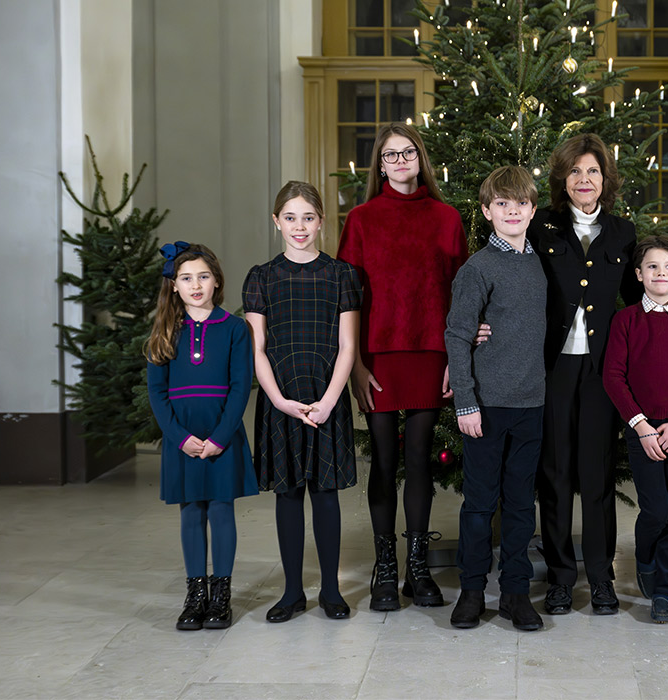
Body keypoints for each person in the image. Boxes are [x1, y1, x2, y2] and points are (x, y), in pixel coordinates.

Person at [337, 122, 467, 612]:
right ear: (380, 164)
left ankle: (417, 567)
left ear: (420, 158)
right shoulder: (363, 220)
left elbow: (461, 296)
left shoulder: (446, 218)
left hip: (430, 354)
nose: (400, 161)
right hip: (378, 357)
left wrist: (457, 359)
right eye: (390, 155)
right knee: (385, 463)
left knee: (418, 461)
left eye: (407, 152)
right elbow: (347, 299)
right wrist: (354, 367)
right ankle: (384, 568)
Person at [531, 133, 643, 616]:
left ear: (605, 179)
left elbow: (639, 306)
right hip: (552, 365)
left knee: (596, 475)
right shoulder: (540, 227)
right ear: (563, 178)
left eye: (593, 171)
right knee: (554, 474)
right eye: (575, 171)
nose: (584, 179)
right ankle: (559, 579)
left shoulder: (623, 232)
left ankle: (600, 578)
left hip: (601, 370)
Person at [243, 181, 362, 623]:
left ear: (321, 222)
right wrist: (277, 400)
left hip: (326, 397)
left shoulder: (341, 275)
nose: (299, 226)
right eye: (290, 218)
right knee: (288, 492)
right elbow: (257, 348)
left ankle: (330, 590)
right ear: (276, 222)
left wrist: (331, 400)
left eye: (308, 218)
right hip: (282, 399)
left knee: (325, 493)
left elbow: (348, 346)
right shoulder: (261, 276)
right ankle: (292, 591)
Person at [444, 166, 547, 631]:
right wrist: (465, 401)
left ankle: (515, 592)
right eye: (502, 204)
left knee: (522, 504)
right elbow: (459, 333)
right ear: (486, 211)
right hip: (485, 406)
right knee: (480, 503)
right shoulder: (478, 268)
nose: (512, 211)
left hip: (532, 404)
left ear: (532, 208)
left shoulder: (540, 262)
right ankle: (470, 590)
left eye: (520, 203)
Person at [145, 242, 258, 631]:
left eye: (204, 277)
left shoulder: (234, 329)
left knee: (222, 510)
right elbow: (157, 393)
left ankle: (221, 594)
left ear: (216, 281)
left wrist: (221, 437)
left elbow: (241, 386)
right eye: (187, 278)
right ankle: (195, 595)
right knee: (191, 511)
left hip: (221, 435)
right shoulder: (164, 331)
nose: (196, 285)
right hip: (184, 438)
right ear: (173, 285)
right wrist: (179, 437)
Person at [601, 235, 668, 623]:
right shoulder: (626, 320)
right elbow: (614, 377)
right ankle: (644, 557)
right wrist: (642, 426)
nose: (660, 273)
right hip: (641, 430)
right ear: (639, 274)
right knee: (656, 510)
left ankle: (665, 591)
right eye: (652, 267)